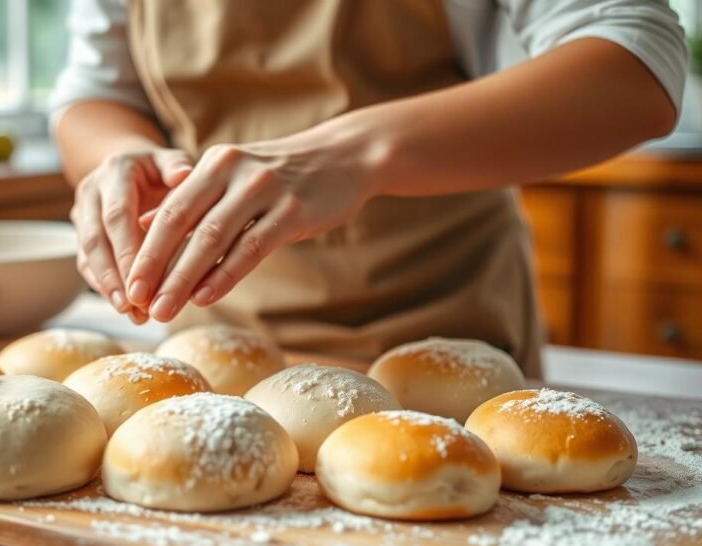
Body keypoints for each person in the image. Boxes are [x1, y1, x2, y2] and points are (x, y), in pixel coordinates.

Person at [50, 0, 687, 377]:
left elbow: (636, 63)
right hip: (211, 344)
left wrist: (355, 154)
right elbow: (96, 91)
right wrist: (122, 158)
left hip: (446, 331)